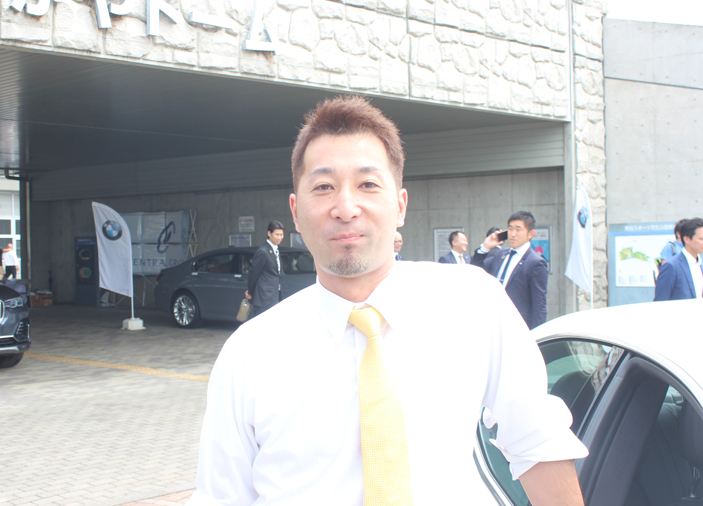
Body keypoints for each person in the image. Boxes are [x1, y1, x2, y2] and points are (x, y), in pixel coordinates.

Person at [190, 96, 587, 506]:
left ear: (400, 206)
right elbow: (221, 498)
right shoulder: (249, 353)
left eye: (368, 184)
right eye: (323, 187)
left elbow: (538, 442)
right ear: (295, 211)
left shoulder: (474, 303)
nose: (345, 208)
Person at [471, 211, 549, 330]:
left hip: (516, 328)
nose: (513, 234)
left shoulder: (536, 262)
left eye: (518, 230)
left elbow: (539, 305)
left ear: (531, 234)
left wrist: (536, 335)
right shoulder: (501, 254)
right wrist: (485, 247)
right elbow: (476, 270)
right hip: (493, 324)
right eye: (510, 229)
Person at [654, 217, 703, 301]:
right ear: (687, 239)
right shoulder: (672, 266)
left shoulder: (700, 264)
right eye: (701, 239)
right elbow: (660, 300)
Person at [245, 221, 284, 318]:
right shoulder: (263, 251)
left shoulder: (275, 249)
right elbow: (254, 273)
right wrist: (250, 292)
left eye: (281, 235)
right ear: (269, 233)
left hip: (274, 295)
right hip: (264, 297)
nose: (279, 237)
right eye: (277, 234)